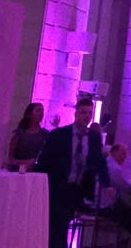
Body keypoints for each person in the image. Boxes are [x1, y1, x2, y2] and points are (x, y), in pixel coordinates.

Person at [34, 98, 110, 248]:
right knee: (58, 225)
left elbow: (99, 161)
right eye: (83, 112)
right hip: (59, 186)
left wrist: (106, 183)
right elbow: (45, 160)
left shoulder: (94, 138)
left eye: (89, 113)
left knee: (64, 223)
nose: (86, 116)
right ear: (76, 113)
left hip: (79, 188)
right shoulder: (59, 135)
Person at [7, 102, 49, 171]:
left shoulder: (45, 134)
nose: (41, 113)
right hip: (17, 171)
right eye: (38, 110)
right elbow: (10, 158)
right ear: (29, 114)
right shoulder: (19, 134)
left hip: (37, 171)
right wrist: (23, 162)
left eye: (42, 110)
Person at [101, 143, 131, 231]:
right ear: (113, 152)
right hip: (104, 206)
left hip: (95, 202)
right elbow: (124, 187)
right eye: (123, 153)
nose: (125, 157)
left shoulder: (106, 163)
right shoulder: (114, 168)